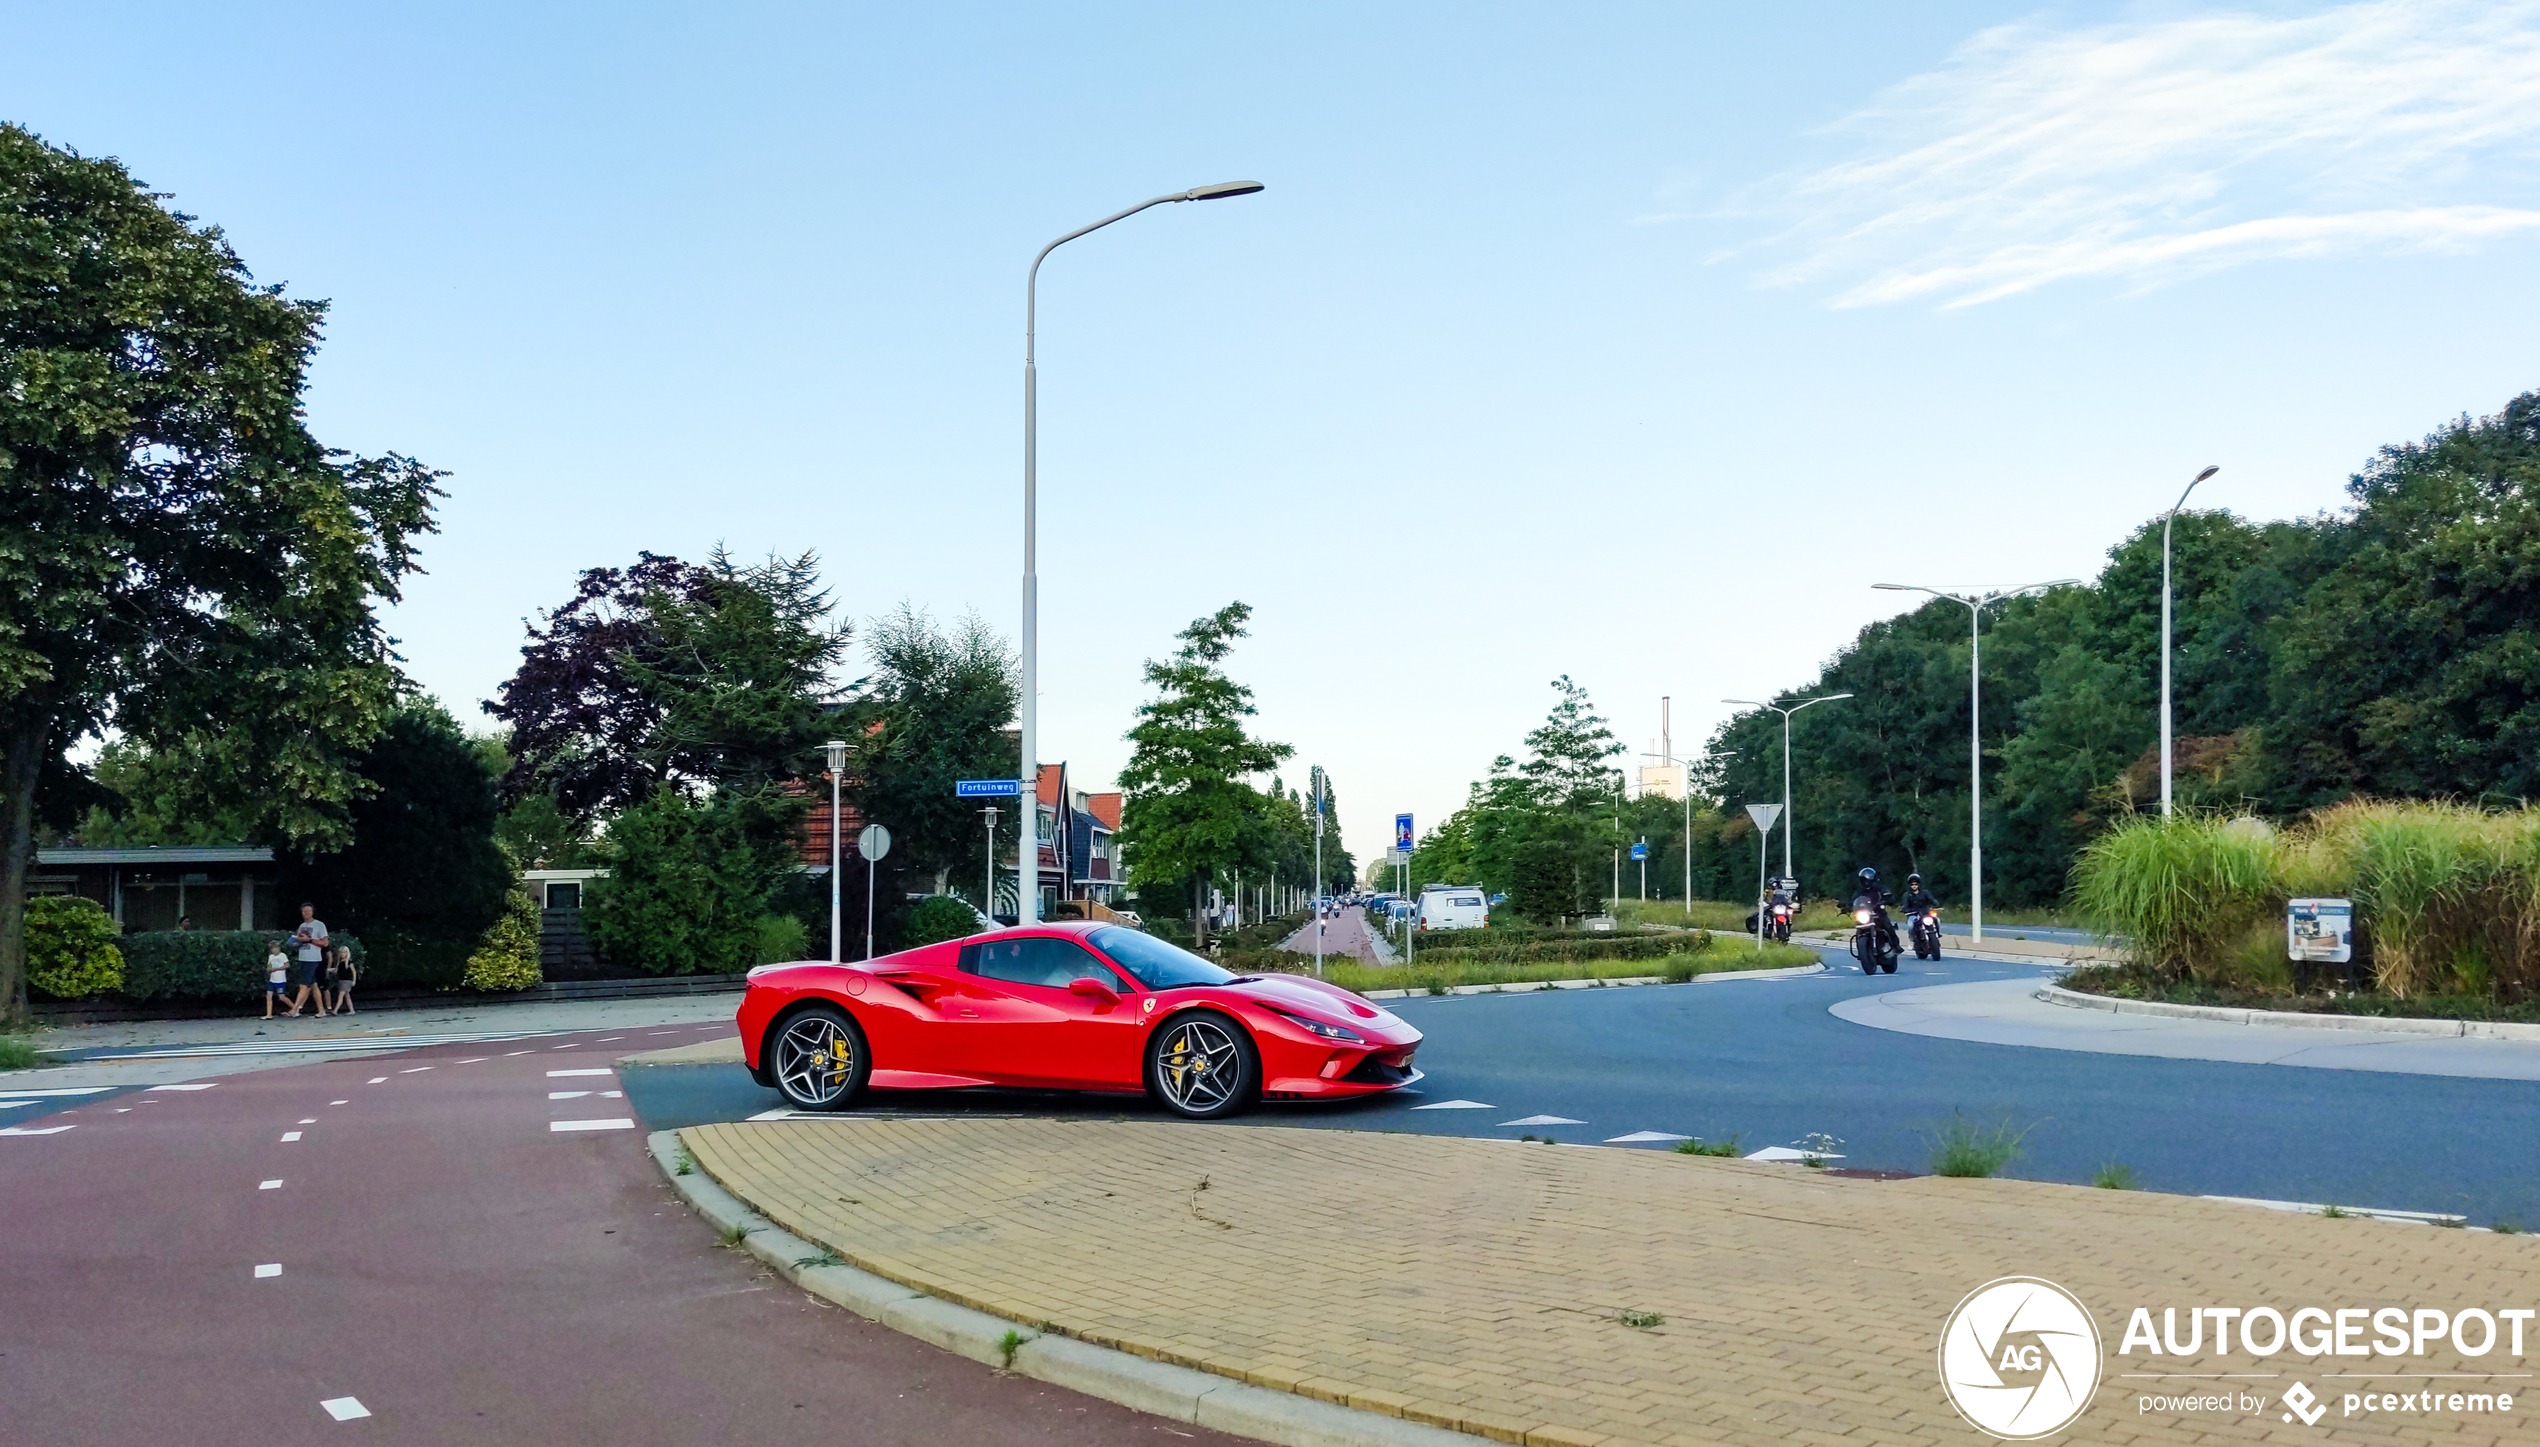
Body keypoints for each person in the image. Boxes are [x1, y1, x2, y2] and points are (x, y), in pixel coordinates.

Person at [284, 904, 331, 1017]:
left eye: (308, 911)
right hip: (303, 957)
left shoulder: (319, 925)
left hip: (312, 958)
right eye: (304, 911)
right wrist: (296, 943)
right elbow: (301, 942)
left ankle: (295, 1010)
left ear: (312, 912)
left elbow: (325, 943)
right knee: (313, 985)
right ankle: (321, 1010)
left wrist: (310, 940)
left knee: (304, 985)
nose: (305, 913)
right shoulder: (302, 926)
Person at [262, 937, 290, 1019]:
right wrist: (270, 969)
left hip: (280, 980)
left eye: (276, 948)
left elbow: (287, 965)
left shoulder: (282, 955)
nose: (274, 950)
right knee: (269, 995)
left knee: (282, 997)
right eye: (272, 948)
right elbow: (269, 967)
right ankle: (269, 1014)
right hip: (272, 980)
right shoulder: (271, 957)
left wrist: (277, 968)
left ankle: (294, 1008)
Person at [328, 943, 358, 1015]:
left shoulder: (349, 962)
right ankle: (352, 1010)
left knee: (341, 996)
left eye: (344, 952)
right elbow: (337, 971)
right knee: (347, 996)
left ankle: (335, 1010)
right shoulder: (340, 963)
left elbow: (354, 972)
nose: (342, 954)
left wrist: (354, 980)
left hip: (347, 981)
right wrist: (330, 970)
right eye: (341, 952)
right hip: (341, 980)